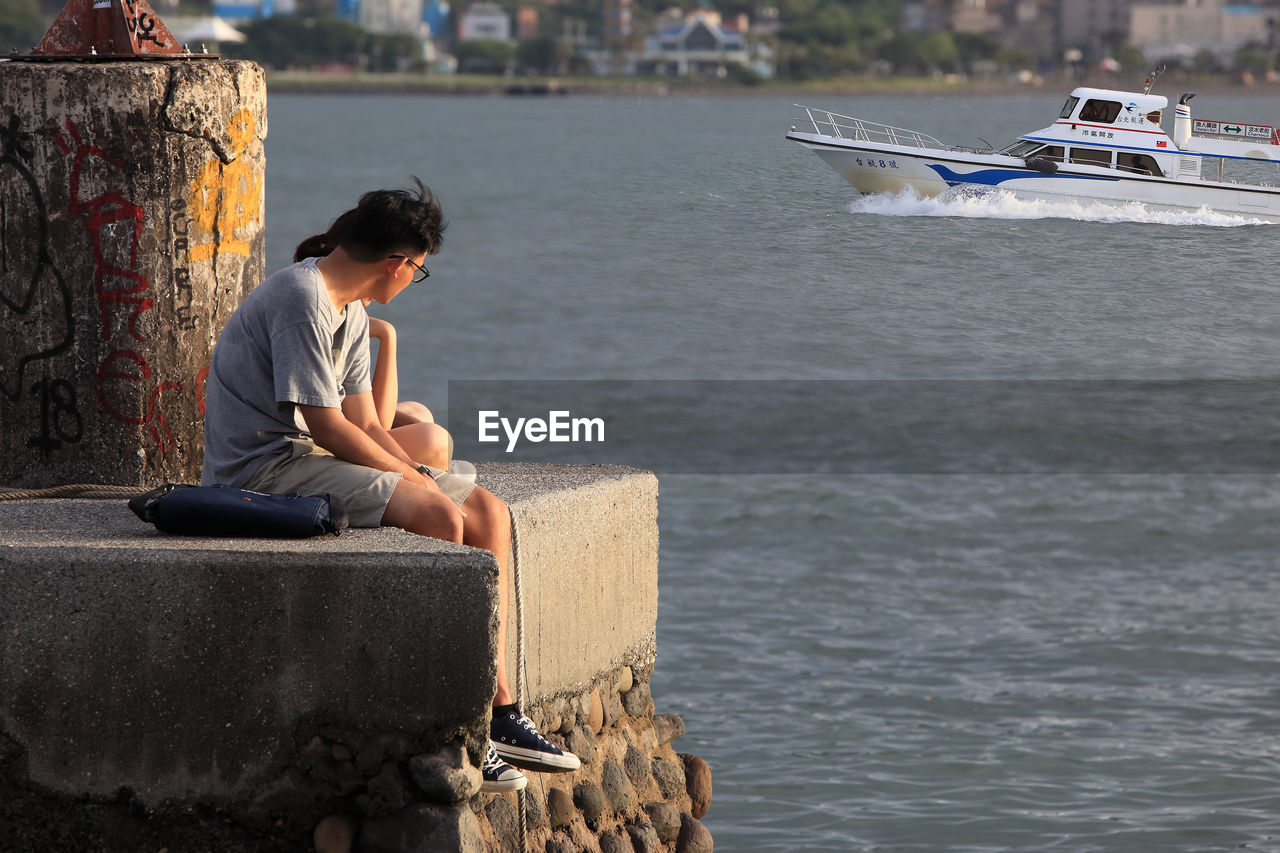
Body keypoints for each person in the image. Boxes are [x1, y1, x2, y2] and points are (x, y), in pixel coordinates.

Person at [202, 179, 579, 793]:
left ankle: (502, 710)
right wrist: (416, 482)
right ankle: (460, 727)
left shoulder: (349, 307)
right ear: (400, 262)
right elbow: (325, 424)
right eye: (420, 270)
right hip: (265, 470)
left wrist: (412, 472)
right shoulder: (303, 297)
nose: (413, 280)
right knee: (438, 516)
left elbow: (367, 422)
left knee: (488, 513)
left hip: (311, 456)